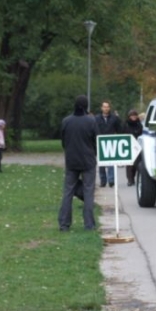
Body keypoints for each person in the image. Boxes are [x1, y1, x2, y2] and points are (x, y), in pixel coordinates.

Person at [58, 95, 99, 231]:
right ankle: (89, 224)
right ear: (86, 106)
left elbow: (63, 141)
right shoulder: (91, 121)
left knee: (68, 192)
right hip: (88, 160)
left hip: (71, 160)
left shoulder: (66, 121)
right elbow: (95, 141)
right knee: (88, 191)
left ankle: (64, 224)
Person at [95, 100, 122, 187]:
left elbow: (119, 129)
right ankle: (103, 181)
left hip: (111, 143)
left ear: (109, 108)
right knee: (101, 163)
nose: (106, 108)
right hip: (100, 143)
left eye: (107, 107)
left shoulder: (114, 118)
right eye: (104, 107)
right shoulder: (96, 118)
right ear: (101, 108)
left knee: (111, 163)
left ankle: (111, 180)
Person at [124, 109, 143, 186]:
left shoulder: (139, 124)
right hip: (128, 145)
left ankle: (134, 177)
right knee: (129, 164)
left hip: (137, 146)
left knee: (136, 164)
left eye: (135, 115)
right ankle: (130, 179)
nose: (134, 117)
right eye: (132, 115)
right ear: (129, 116)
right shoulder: (126, 124)